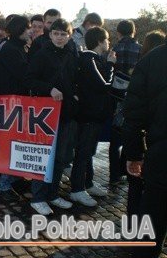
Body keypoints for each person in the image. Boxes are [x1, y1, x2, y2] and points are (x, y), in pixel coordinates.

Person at [25, 18, 79, 215]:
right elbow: (29, 79)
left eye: (63, 34)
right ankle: (38, 197)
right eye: (56, 33)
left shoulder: (72, 54)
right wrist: (49, 89)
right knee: (43, 156)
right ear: (50, 34)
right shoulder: (41, 54)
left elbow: (74, 79)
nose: (59, 37)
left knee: (61, 157)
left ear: (69, 36)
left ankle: (53, 194)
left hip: (66, 112)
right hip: (45, 114)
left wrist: (74, 93)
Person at [122, 40, 167, 258]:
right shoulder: (152, 60)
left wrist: (133, 154)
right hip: (160, 153)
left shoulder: (151, 60)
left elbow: (134, 114)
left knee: (153, 217)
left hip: (160, 153)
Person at [70, 27, 115, 207]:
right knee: (83, 153)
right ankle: (77, 189)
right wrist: (111, 64)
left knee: (88, 152)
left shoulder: (94, 58)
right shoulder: (89, 58)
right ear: (99, 41)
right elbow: (105, 84)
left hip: (94, 114)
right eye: (107, 39)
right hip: (89, 114)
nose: (109, 42)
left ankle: (87, 183)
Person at [0, 15, 31, 200]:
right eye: (27, 28)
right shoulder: (11, 49)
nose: (30, 31)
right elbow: (24, 75)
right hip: (12, 103)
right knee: (11, 145)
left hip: (17, 101)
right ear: (19, 31)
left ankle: (13, 178)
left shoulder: (17, 47)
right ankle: (4, 184)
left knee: (16, 143)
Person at [109, 20, 142, 185]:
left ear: (118, 33)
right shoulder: (142, 50)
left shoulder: (113, 49)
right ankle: (125, 169)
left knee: (115, 138)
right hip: (135, 97)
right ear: (134, 32)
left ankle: (114, 174)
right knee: (131, 134)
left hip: (116, 97)